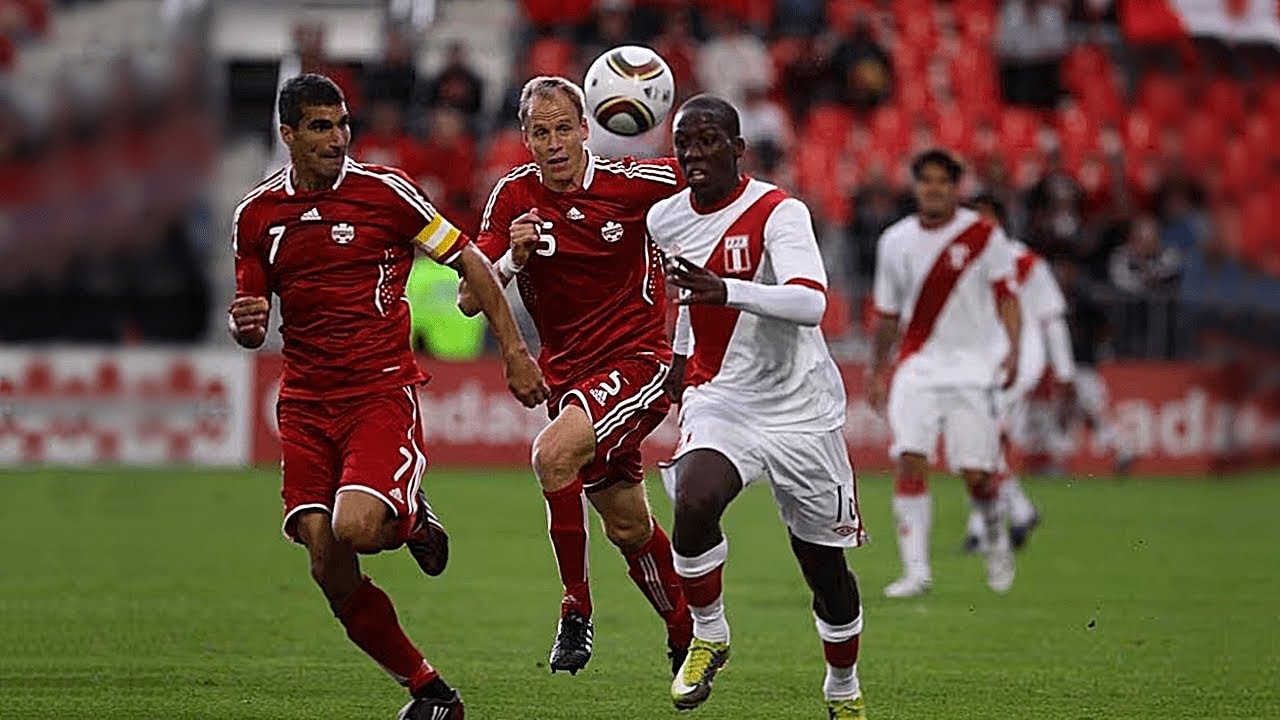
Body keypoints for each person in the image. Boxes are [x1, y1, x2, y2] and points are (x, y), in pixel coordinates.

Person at [229, 73, 547, 720]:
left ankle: (410, 519)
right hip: (305, 401)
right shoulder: (257, 216)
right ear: (287, 134)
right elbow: (251, 304)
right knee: (326, 560)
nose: (337, 138)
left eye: (343, 124)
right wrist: (246, 323)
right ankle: (430, 691)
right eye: (321, 127)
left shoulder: (386, 194)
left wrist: (514, 351)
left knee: (357, 528)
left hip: (377, 391)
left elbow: (472, 262)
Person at [457, 76, 693, 676]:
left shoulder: (637, 184)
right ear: (526, 138)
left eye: (565, 128)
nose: (555, 142)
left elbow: (714, 183)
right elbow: (466, 297)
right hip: (571, 379)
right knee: (626, 525)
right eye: (542, 131)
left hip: (640, 361)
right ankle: (688, 630)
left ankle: (575, 610)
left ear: (587, 128)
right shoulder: (512, 197)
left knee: (551, 455)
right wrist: (512, 257)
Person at [649, 94, 868, 720]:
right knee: (692, 499)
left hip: (803, 410)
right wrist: (677, 369)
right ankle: (710, 632)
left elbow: (810, 304)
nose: (693, 152)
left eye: (709, 139)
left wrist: (729, 291)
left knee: (824, 570)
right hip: (724, 399)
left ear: (738, 148)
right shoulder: (665, 220)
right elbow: (687, 305)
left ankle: (843, 688)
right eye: (683, 141)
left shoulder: (779, 211)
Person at [868, 149, 1021, 599]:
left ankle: (995, 540)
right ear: (916, 186)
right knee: (909, 457)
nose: (933, 188)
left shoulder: (983, 235)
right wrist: (880, 372)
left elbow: (1007, 297)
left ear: (957, 188)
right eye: (926, 180)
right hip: (917, 365)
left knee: (976, 474)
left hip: (974, 369)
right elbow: (888, 315)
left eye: (942, 181)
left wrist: (1012, 349)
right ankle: (916, 572)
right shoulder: (894, 241)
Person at [959, 194, 1070, 553]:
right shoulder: (967, 265)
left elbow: (1051, 319)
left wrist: (1064, 370)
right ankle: (1016, 513)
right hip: (984, 362)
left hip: (1019, 359)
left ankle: (984, 526)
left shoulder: (1025, 263)